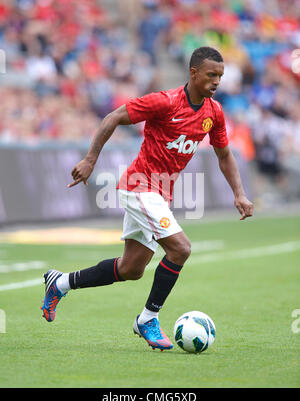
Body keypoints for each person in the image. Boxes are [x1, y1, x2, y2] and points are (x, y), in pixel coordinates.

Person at [41, 46, 253, 351]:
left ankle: (59, 283)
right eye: (211, 75)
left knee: (131, 269)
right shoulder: (164, 102)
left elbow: (224, 155)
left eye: (220, 75)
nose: (217, 81)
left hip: (159, 194)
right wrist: (90, 159)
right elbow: (113, 117)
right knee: (181, 249)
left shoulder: (214, 113)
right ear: (193, 73)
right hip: (139, 187)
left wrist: (239, 193)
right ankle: (148, 318)